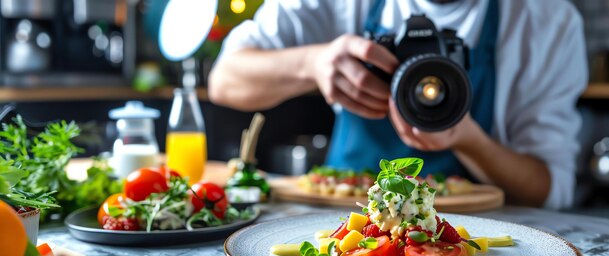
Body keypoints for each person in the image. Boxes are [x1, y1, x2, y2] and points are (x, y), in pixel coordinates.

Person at [208, 0, 588, 210]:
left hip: (466, 241)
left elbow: (550, 189)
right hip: (339, 222)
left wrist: (467, 138)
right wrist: (314, 63)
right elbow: (225, 80)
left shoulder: (547, 21)